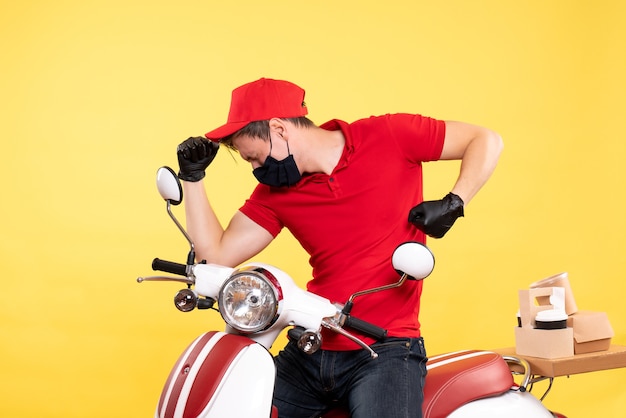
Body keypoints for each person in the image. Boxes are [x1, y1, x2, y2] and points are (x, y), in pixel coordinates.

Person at [176, 77, 503, 418]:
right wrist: (193, 179)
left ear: (279, 129)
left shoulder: (388, 135)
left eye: (255, 157)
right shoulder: (276, 196)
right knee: (239, 408)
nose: (257, 170)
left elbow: (485, 140)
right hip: (312, 343)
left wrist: (454, 202)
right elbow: (216, 256)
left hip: (386, 350)